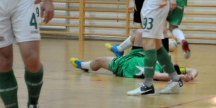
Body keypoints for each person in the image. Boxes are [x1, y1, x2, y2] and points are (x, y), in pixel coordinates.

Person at [70, 29, 198, 81]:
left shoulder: (158, 70)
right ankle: (119, 49)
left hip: (124, 65)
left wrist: (179, 77)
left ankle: (83, 65)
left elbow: (157, 76)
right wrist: (190, 74)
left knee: (98, 61)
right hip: (139, 54)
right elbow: (194, 69)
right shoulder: (165, 64)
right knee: (139, 32)